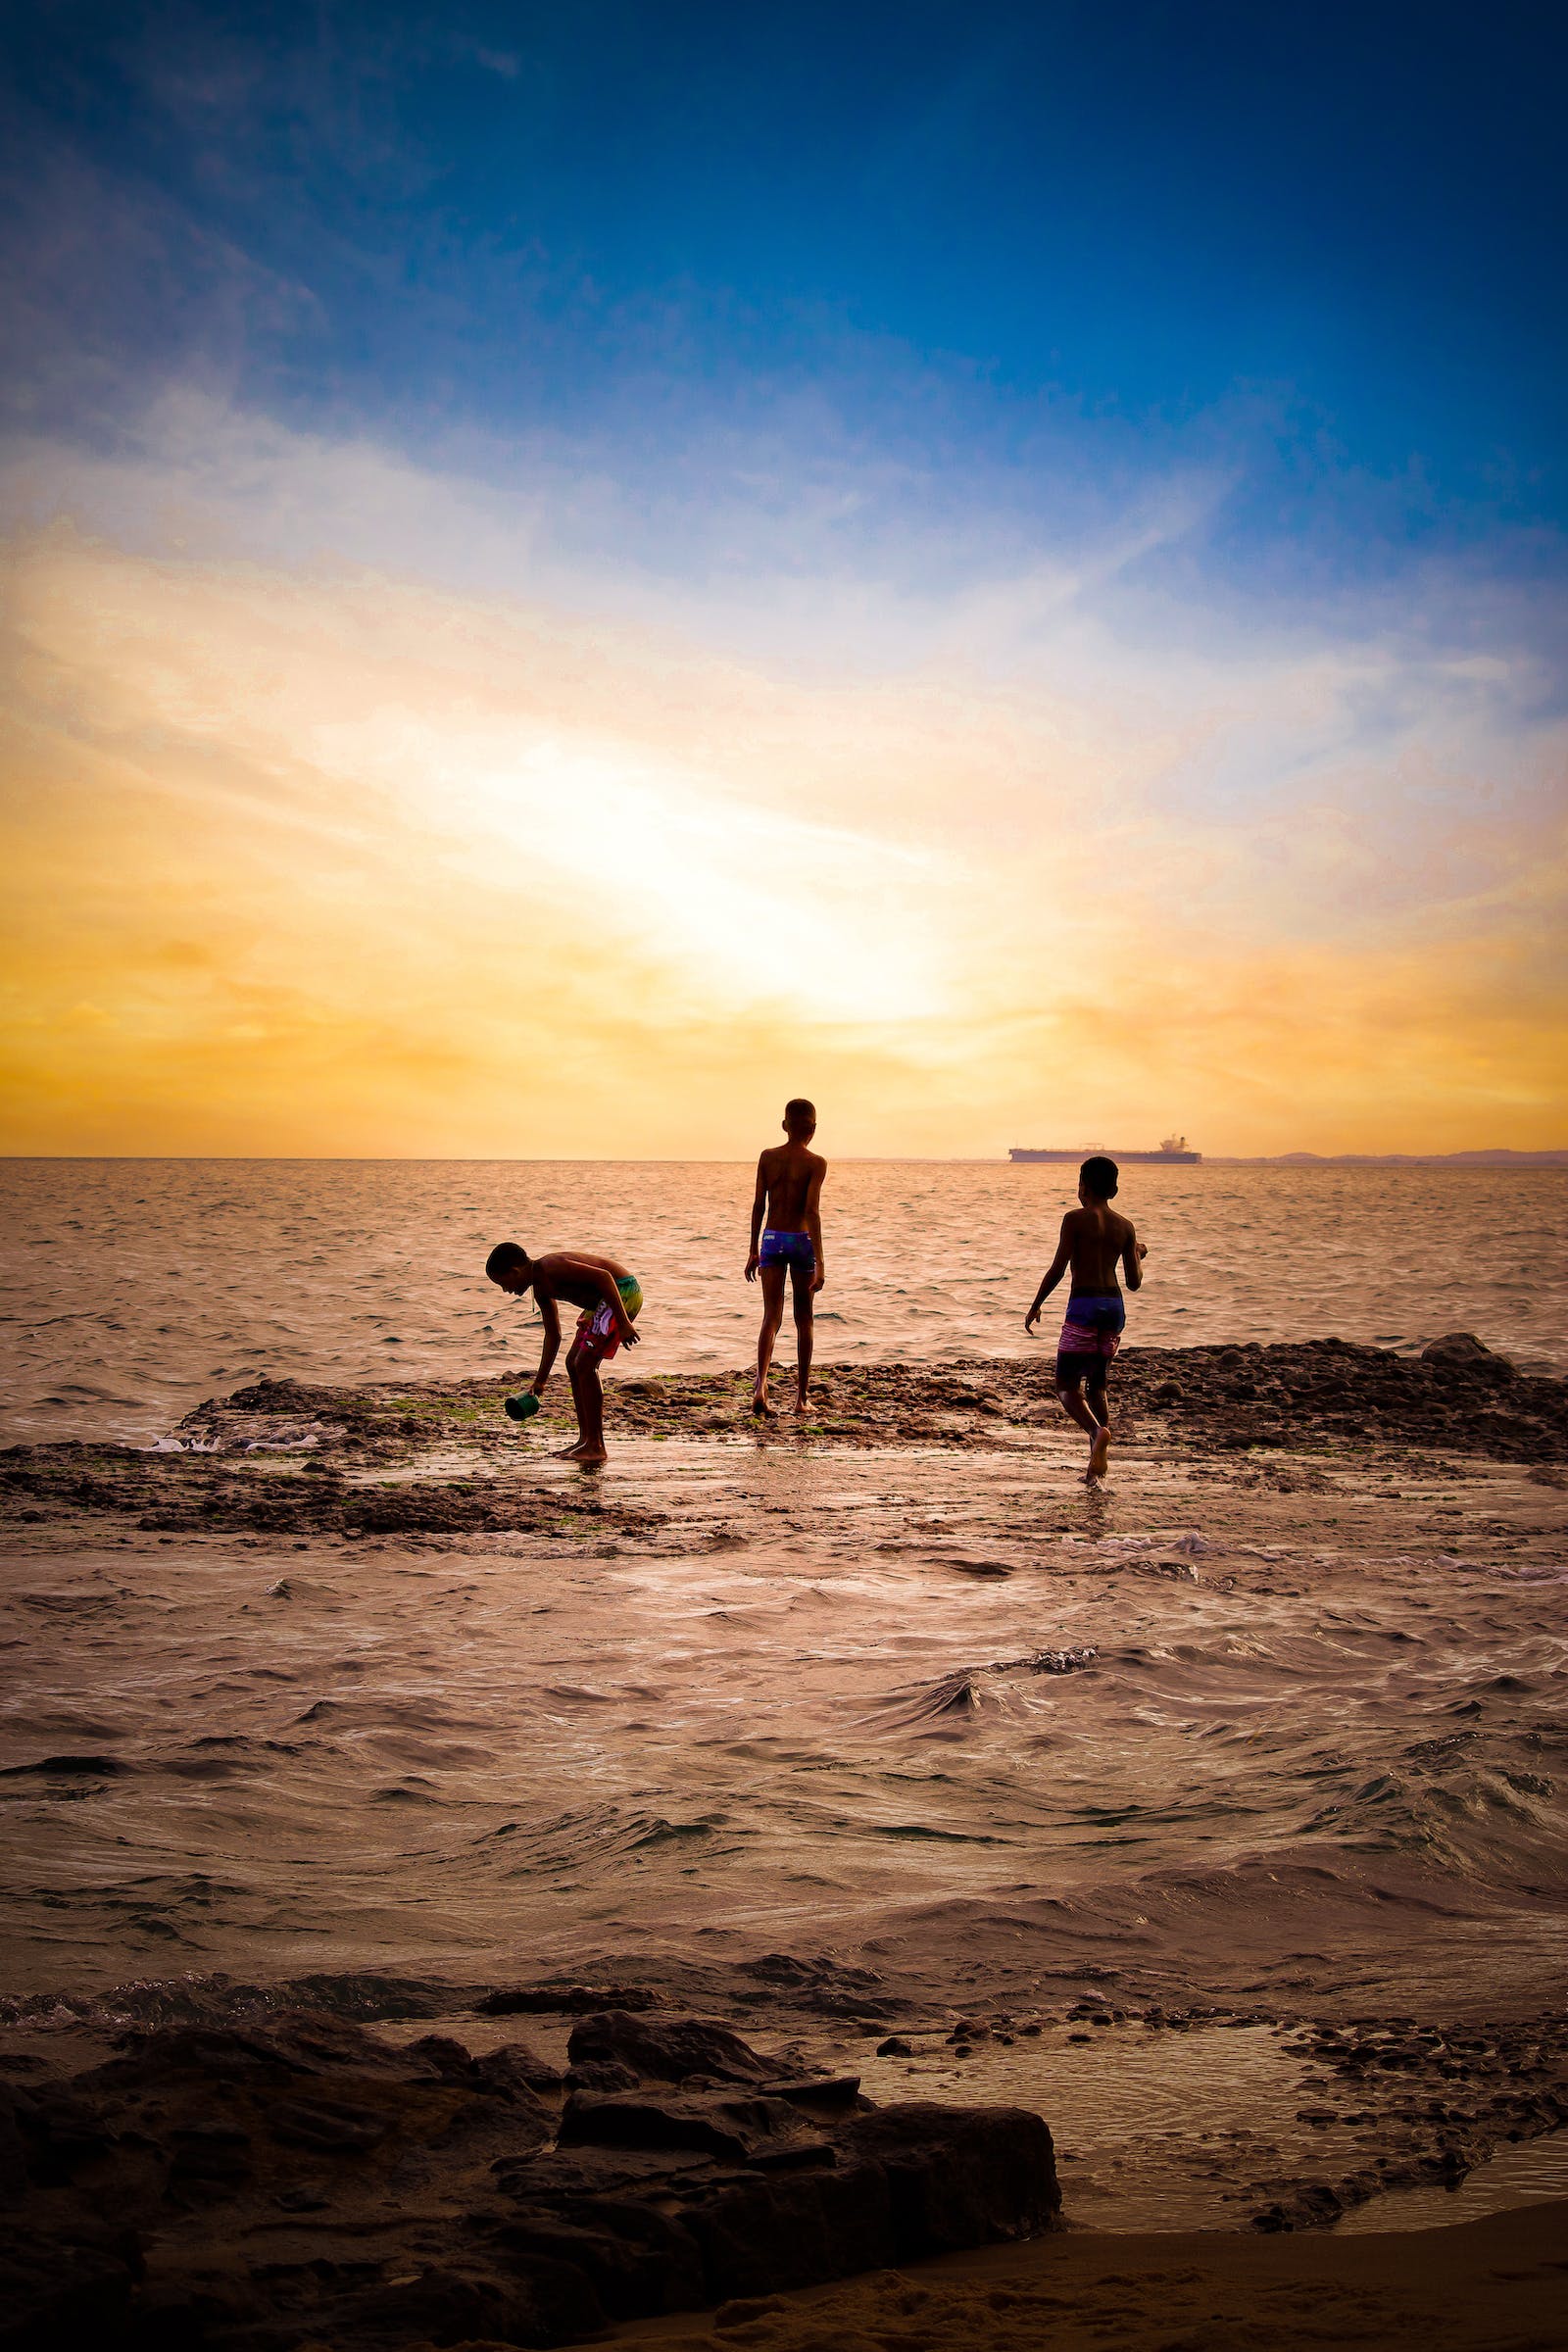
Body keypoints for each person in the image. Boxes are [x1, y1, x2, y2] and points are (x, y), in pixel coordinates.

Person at [1023, 1155, 1147, 1482]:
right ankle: (1095, 1470)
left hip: (1084, 1304)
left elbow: (1058, 1268)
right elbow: (1134, 1283)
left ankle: (1096, 1432)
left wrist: (1036, 1304)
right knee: (1097, 1386)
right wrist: (1135, 1253)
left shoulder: (1074, 1219)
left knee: (1065, 1385)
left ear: (1082, 1186)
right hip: (1114, 1308)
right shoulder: (1126, 1227)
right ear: (1115, 1189)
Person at [484, 1242, 641, 1466]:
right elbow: (553, 1335)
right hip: (601, 1303)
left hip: (622, 1291)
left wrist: (624, 1323)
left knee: (585, 1364)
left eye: (503, 1283)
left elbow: (605, 1277)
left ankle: (596, 1446)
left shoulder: (550, 1266)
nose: (505, 1290)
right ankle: (585, 1439)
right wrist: (541, 1381)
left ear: (514, 1271)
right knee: (572, 1363)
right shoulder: (540, 1289)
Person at [745, 1098, 826, 1419]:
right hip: (802, 1241)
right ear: (813, 1129)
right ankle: (801, 1398)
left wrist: (753, 1249)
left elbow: (758, 1206)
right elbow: (812, 1212)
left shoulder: (767, 1157)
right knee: (804, 1320)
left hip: (773, 1239)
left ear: (784, 1125)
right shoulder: (816, 1163)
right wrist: (820, 1260)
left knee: (771, 1318)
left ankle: (761, 1385)